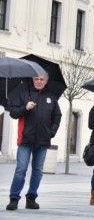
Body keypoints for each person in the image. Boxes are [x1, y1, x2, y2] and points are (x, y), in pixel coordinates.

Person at [6, 72, 62, 211]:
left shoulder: (51, 97)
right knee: (21, 169)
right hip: (25, 139)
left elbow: (57, 116)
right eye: (36, 78)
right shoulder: (24, 92)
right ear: (32, 79)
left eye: (41, 79)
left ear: (46, 81)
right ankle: (14, 198)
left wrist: (52, 132)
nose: (38, 81)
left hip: (43, 141)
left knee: (38, 171)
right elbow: (13, 113)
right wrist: (25, 107)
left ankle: (31, 198)